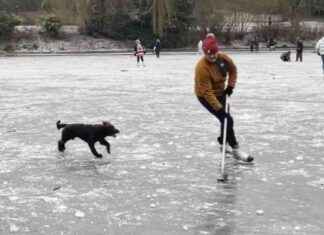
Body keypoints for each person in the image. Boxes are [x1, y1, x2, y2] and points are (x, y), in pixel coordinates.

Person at [194, 34, 253, 162]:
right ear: (204, 53)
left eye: (214, 53)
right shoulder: (201, 68)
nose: (212, 56)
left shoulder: (223, 58)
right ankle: (235, 148)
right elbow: (208, 92)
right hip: (205, 95)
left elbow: (233, 70)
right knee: (227, 120)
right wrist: (219, 109)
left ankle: (222, 142)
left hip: (221, 92)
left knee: (225, 120)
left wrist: (230, 86)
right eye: (209, 54)